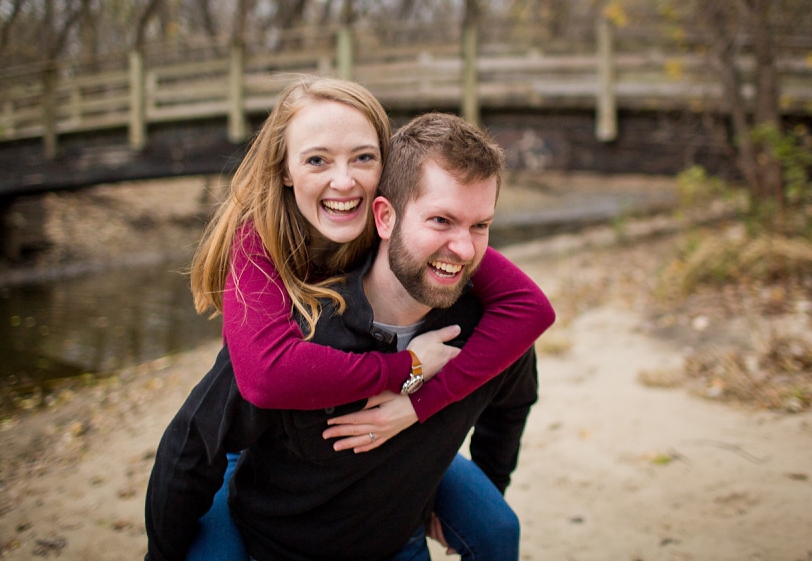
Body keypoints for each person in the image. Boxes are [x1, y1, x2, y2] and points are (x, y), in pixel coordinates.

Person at [145, 112, 553, 561]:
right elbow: (191, 446)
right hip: (276, 542)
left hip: (396, 540)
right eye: (440, 220)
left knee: (496, 528)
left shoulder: (488, 332)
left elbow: (513, 401)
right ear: (384, 217)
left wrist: (434, 423)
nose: (465, 247)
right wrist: (409, 369)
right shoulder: (298, 328)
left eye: (481, 226)